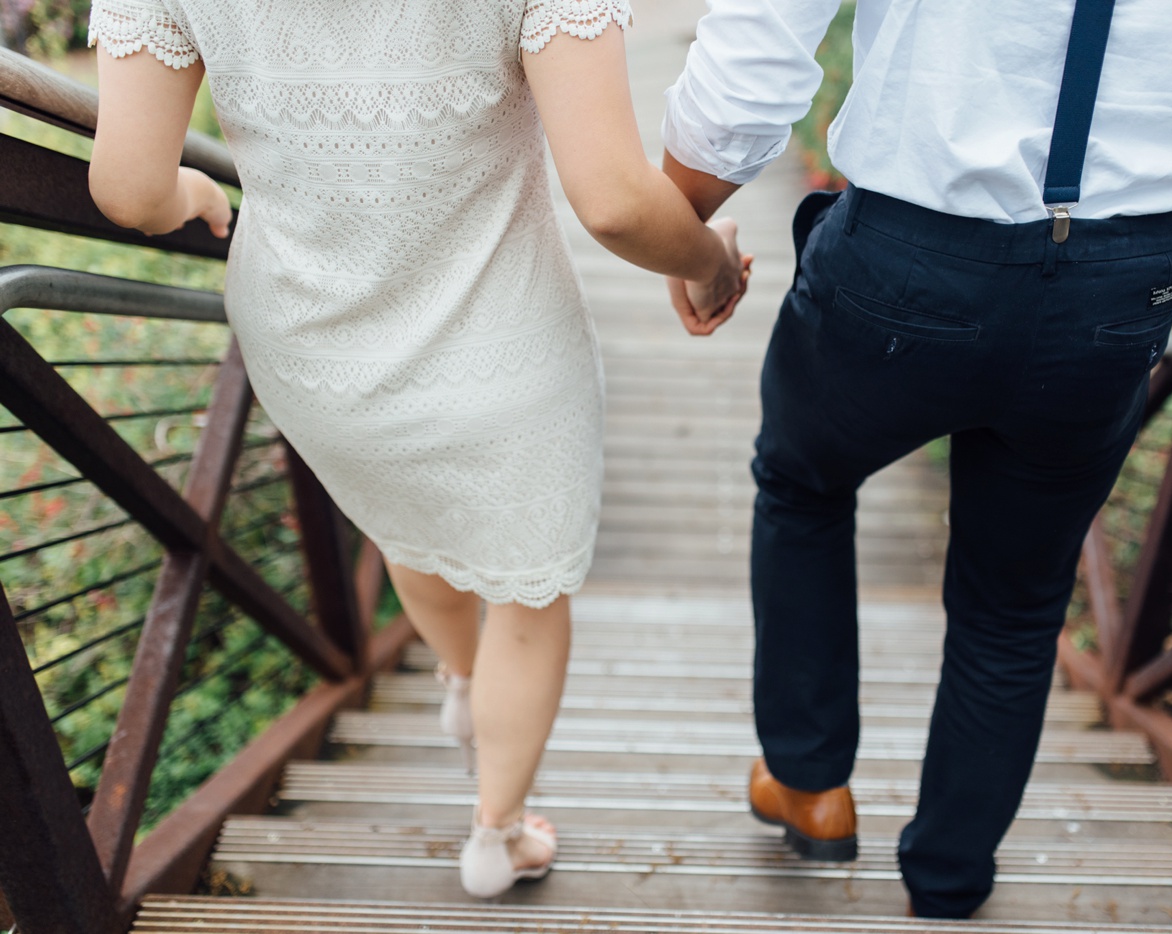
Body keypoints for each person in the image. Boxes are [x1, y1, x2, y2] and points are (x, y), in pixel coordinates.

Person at [658, 0, 1172, 918]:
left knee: (803, 482)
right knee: (1016, 602)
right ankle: (950, 874)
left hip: (906, 255)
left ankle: (808, 784)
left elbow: (762, 38)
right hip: (1123, 270)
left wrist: (681, 217)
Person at [85, 0, 748, 901]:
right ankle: (496, 837)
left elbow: (126, 187)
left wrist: (194, 193)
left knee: (405, 519)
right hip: (500, 345)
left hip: (311, 349)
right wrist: (709, 263)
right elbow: (616, 199)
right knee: (527, 593)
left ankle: (463, 680)